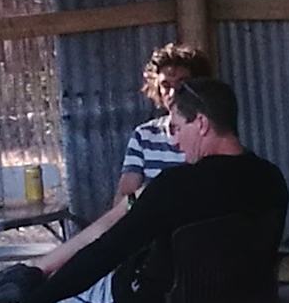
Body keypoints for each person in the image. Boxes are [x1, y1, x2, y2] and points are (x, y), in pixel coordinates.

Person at [0, 73, 284, 303]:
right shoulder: (271, 178)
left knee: (49, 296)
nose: (174, 140)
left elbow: (105, 253)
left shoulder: (174, 186)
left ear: (202, 124)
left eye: (178, 128)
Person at [58, 43, 214, 258]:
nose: (172, 93)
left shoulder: (210, 132)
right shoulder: (144, 135)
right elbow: (126, 195)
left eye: (182, 84)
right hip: (151, 234)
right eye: (165, 85)